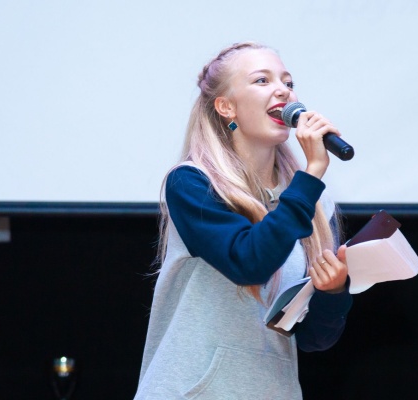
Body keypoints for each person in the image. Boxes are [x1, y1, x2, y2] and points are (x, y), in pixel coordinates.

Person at [134, 41, 353, 400]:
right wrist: (312, 173)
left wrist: (333, 292)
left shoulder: (311, 201)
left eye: (288, 82)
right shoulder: (192, 183)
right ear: (226, 107)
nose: (283, 90)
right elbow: (249, 262)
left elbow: (314, 339)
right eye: (262, 80)